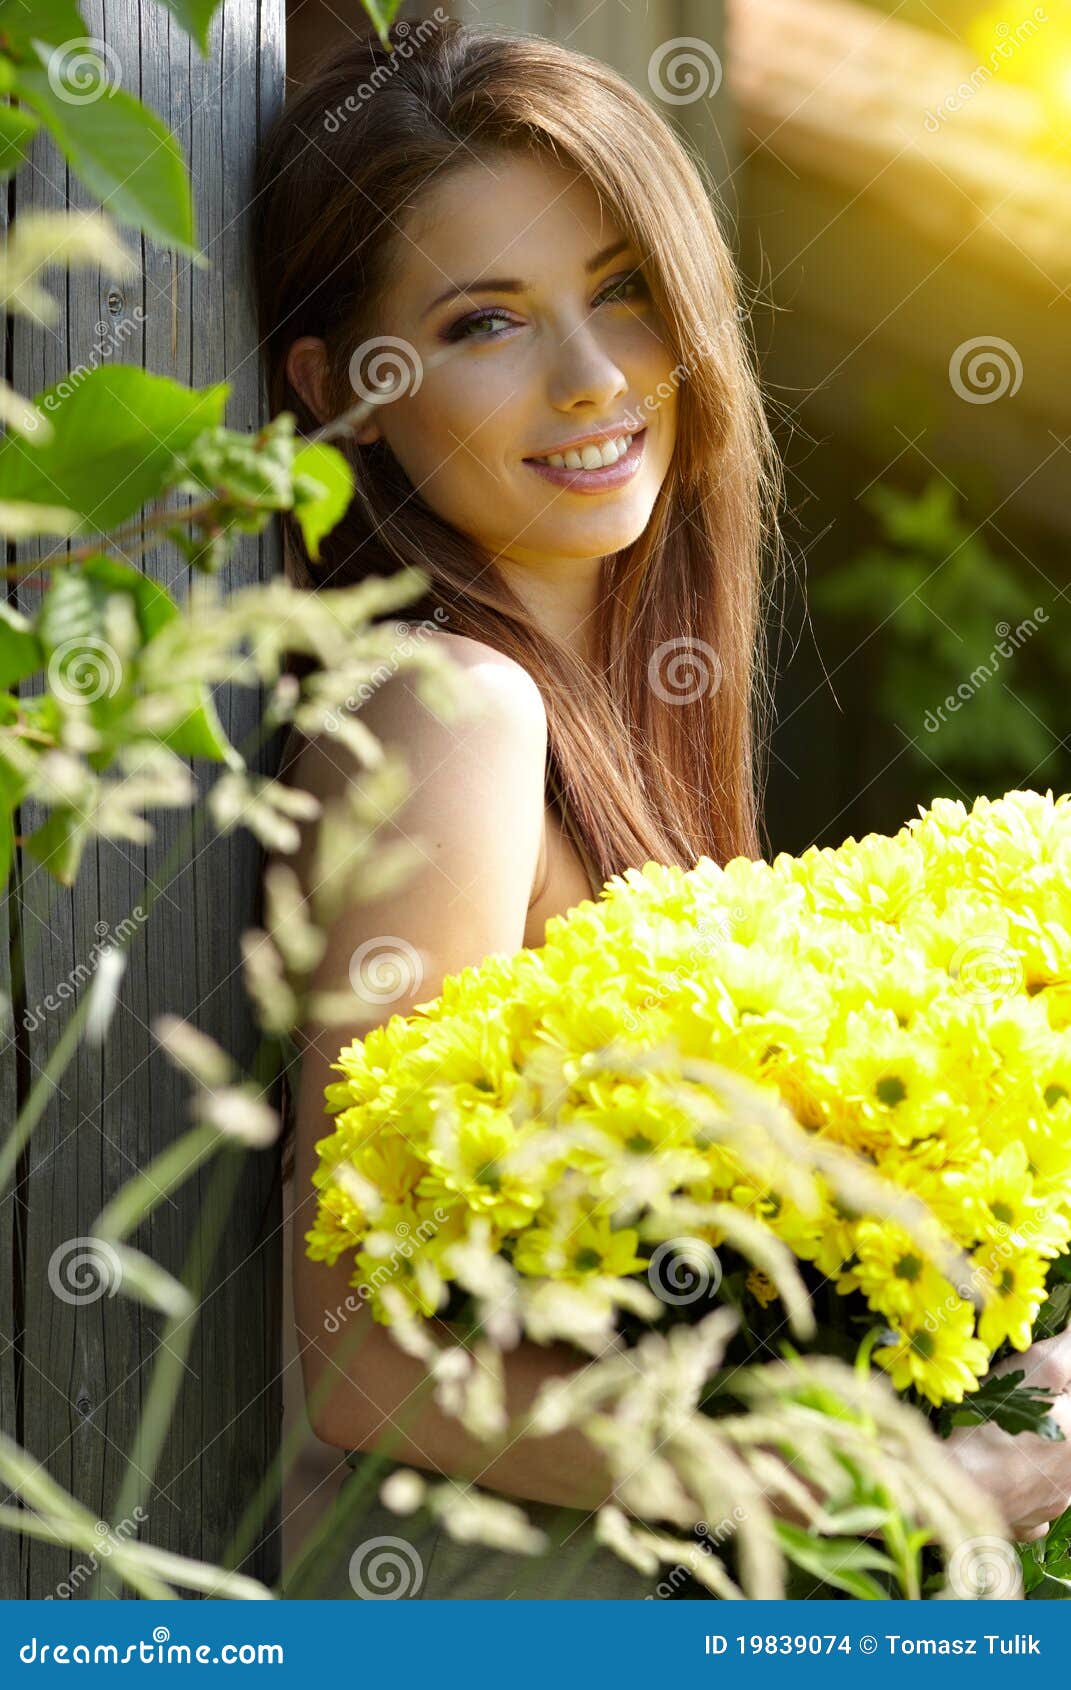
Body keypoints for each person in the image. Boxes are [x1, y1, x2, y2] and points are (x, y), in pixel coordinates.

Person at [251, 17, 1071, 1597]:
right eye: (487, 321)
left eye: (621, 290)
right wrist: (861, 1468)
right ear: (338, 386)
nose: (593, 377)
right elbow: (357, 1358)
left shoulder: (621, 706)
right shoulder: (454, 712)